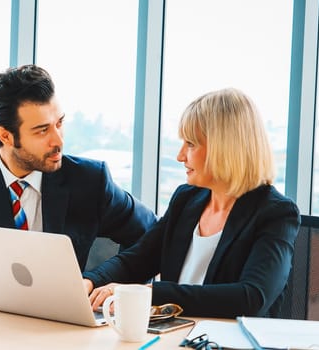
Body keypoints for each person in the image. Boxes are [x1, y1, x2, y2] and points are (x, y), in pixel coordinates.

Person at [0, 64, 157, 295]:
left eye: (59, 123)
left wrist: (101, 282)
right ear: (6, 136)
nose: (58, 141)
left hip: (63, 321)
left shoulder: (89, 179)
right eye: (42, 130)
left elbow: (151, 235)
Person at [83, 88, 300, 318]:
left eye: (191, 144)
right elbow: (137, 260)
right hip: (173, 334)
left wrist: (150, 293)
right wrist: (91, 281)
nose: (180, 156)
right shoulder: (186, 199)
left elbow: (251, 297)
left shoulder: (276, 213)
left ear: (224, 148)